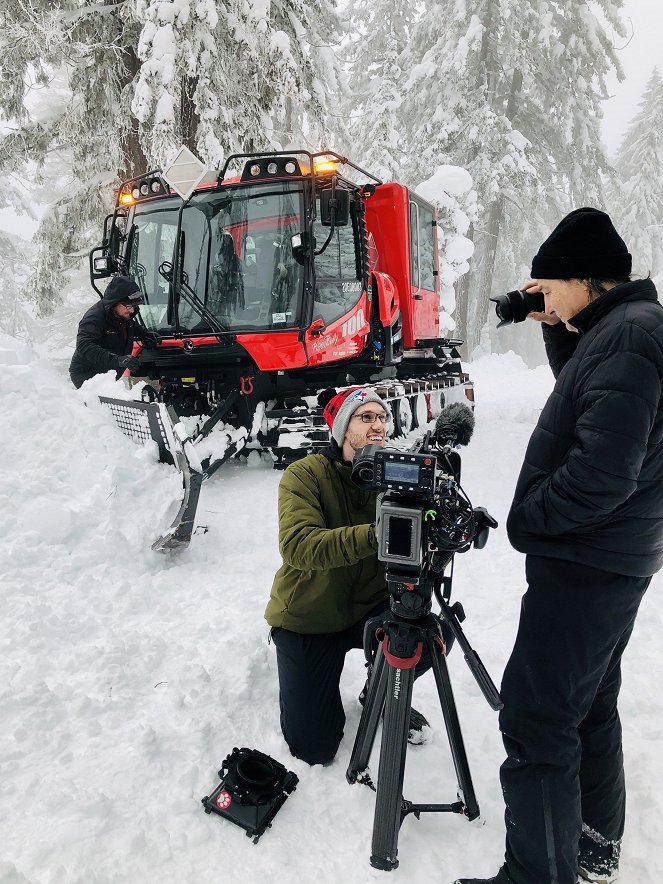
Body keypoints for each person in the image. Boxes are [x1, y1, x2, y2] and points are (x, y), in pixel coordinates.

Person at [455, 208, 663, 884]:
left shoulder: (628, 340)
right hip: (611, 558)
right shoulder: (624, 331)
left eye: (548, 282)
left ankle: (535, 876)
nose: (539, 291)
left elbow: (603, 470)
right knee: (587, 705)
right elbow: (587, 397)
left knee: (538, 720)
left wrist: (529, 518)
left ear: (582, 277)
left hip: (584, 560)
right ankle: (592, 846)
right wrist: (555, 328)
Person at [265, 386, 432, 765]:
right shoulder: (304, 475)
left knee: (429, 634)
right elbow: (297, 545)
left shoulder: (399, 473)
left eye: (383, 418)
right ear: (342, 429)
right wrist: (378, 535)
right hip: (310, 615)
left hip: (368, 609)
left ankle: (382, 688)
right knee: (314, 747)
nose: (378, 425)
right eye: (366, 417)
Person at [69, 276, 147, 388]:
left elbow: (131, 326)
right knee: (100, 404)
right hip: (87, 374)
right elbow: (84, 345)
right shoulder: (94, 318)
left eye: (134, 306)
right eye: (129, 306)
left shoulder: (121, 315)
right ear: (115, 302)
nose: (132, 310)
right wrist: (118, 360)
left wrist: (145, 334)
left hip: (108, 372)